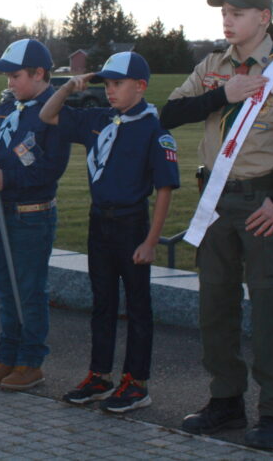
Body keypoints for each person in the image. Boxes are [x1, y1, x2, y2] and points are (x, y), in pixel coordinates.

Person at [161, 0, 273, 450]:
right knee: (215, 305)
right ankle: (226, 400)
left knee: (270, 310)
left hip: (261, 203)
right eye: (224, 13)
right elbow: (168, 115)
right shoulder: (213, 66)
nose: (227, 20)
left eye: (237, 13)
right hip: (214, 201)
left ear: (265, 17)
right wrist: (224, 94)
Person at [40, 51, 179, 413]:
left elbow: (165, 189)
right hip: (98, 220)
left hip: (132, 223)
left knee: (137, 305)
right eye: (107, 84)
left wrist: (151, 241)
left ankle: (136, 382)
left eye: (118, 84)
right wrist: (69, 85)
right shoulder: (99, 119)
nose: (111, 91)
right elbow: (47, 114)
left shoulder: (153, 128)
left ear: (141, 86)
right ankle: (99, 376)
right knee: (102, 303)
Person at [0, 40, 71, 390]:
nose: (9, 83)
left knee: (28, 288)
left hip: (32, 214)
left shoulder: (52, 110)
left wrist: (7, 177)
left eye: (15, 76)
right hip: (0, 211)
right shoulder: (6, 108)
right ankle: (7, 355)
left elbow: (50, 169)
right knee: (4, 286)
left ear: (39, 74)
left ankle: (31, 361)